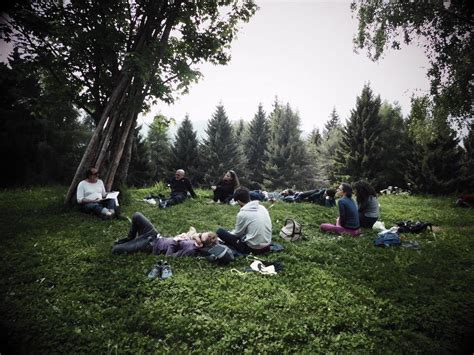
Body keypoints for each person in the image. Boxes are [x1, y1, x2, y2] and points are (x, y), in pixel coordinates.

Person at [112, 212, 218, 256]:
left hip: (150, 245)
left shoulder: (190, 250)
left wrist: (175, 241)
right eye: (202, 233)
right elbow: (192, 230)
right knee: (137, 215)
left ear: (201, 244)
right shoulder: (194, 240)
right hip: (155, 235)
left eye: (200, 236)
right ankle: (129, 238)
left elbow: (170, 257)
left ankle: (131, 242)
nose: (198, 235)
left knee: (115, 249)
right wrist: (185, 236)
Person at [216, 187, 273, 254]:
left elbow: (237, 234)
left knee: (220, 231)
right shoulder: (262, 207)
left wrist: (230, 233)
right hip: (267, 245)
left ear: (239, 201)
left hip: (253, 248)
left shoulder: (243, 213)